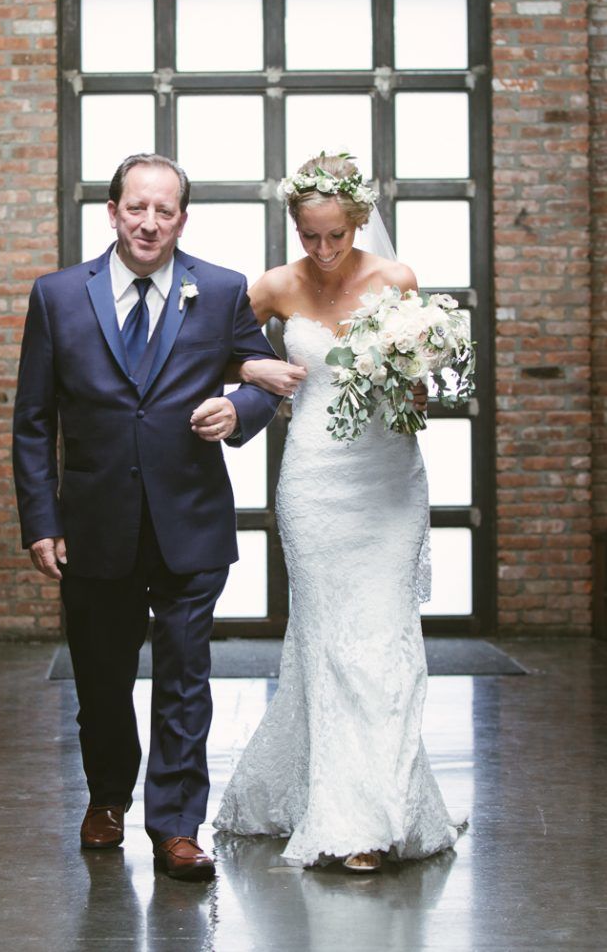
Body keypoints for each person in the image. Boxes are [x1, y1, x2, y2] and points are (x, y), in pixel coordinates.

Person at [12, 152, 281, 882]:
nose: (150, 222)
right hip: (92, 525)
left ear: (181, 219)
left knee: (184, 679)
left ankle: (175, 827)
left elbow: (262, 376)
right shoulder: (59, 295)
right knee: (100, 679)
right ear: (113, 211)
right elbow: (34, 420)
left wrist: (240, 408)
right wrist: (41, 519)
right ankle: (106, 798)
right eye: (138, 208)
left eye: (166, 211)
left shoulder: (221, 290)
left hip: (189, 520)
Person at [214, 153, 464, 871]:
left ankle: (374, 812)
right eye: (309, 236)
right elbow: (207, 351)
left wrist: (415, 389)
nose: (322, 251)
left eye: (335, 236)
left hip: (386, 479)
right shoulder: (270, 286)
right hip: (314, 479)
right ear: (295, 225)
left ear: (358, 222)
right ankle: (341, 810)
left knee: (383, 639)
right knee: (326, 639)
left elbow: (418, 392)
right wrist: (249, 368)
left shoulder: (397, 281)